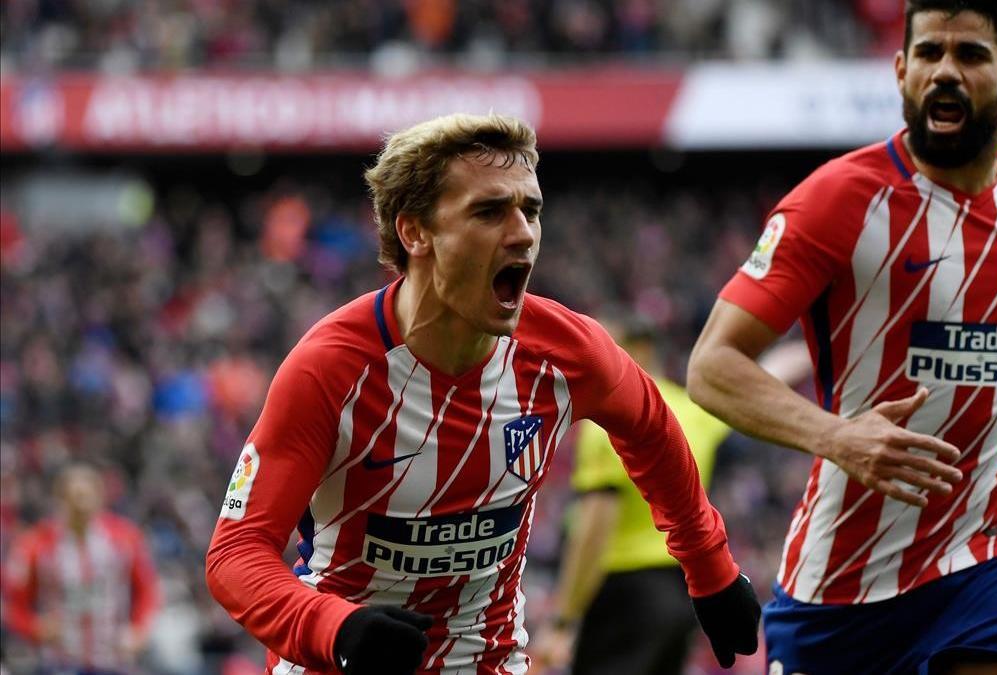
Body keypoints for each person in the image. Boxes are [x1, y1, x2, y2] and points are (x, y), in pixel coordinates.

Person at [686, 2, 997, 674]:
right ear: (901, 70)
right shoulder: (838, 201)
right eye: (930, 54)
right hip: (845, 584)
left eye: (970, 55)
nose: (946, 71)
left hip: (996, 559)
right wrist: (836, 436)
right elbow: (711, 364)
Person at [204, 113, 760, 675]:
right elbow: (235, 554)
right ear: (415, 232)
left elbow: (652, 430)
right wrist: (335, 626)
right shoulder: (329, 368)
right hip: (338, 662)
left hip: (488, 660)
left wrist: (710, 571)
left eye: (531, 210)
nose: (522, 233)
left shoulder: (570, 351)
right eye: (489, 211)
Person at [535, 323, 811, 675]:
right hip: (681, 594)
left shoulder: (608, 421)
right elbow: (766, 376)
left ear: (635, 352)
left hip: (623, 595)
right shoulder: (689, 412)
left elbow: (595, 523)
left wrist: (563, 619)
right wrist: (805, 351)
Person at [3, 462, 161, 673]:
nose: (81, 507)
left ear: (100, 498)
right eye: (74, 498)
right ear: (60, 500)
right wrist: (35, 628)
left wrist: (138, 630)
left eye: (86, 497)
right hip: (60, 662)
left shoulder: (125, 538)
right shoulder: (36, 544)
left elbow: (148, 590)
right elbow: (13, 604)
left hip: (114, 659)